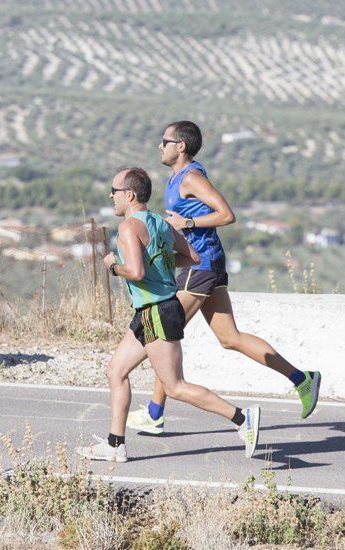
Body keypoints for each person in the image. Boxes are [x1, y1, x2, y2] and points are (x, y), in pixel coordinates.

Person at [126, 121, 321, 436]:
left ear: (181, 146)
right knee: (230, 338)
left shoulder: (191, 177)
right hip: (207, 263)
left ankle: (155, 413)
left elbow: (226, 214)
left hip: (199, 267)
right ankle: (302, 379)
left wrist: (187, 222)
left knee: (164, 337)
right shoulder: (178, 178)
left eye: (164, 140)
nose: (159, 145)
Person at [75, 167, 261, 463]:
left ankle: (242, 418)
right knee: (116, 371)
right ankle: (115, 445)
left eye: (114, 190)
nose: (111, 195)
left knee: (175, 386)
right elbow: (192, 257)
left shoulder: (128, 228)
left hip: (157, 312)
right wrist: (158, 264)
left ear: (130, 195)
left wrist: (112, 265)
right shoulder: (160, 224)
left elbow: (135, 272)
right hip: (152, 310)